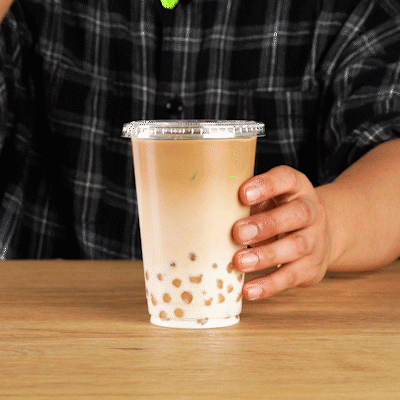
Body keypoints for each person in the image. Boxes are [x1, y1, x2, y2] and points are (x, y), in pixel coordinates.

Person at [0, 0, 399, 302]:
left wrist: (327, 227)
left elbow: (391, 153)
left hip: (263, 336)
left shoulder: (345, 9)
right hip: (51, 320)